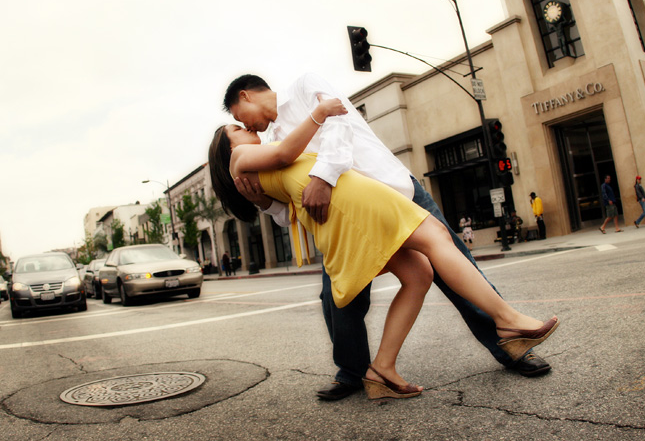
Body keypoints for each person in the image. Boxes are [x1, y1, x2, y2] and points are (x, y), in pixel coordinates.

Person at [224, 73, 553, 401]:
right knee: (338, 299)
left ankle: (510, 347)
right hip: (343, 217)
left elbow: (337, 122)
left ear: (246, 96)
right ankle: (354, 373)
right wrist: (262, 201)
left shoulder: (303, 87)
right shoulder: (268, 145)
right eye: (240, 126)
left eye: (241, 118)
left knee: (451, 262)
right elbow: (292, 206)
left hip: (389, 186)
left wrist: (323, 177)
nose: (250, 127)